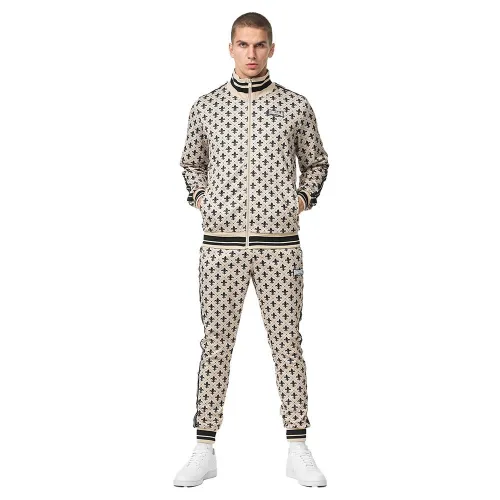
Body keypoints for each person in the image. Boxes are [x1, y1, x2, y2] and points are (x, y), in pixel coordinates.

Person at [174, 12, 329, 488]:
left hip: (279, 247)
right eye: (243, 45)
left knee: (287, 343)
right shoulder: (206, 106)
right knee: (216, 344)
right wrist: (204, 200)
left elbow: (317, 162)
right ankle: (204, 449)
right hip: (220, 248)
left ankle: (298, 448)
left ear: (272, 48)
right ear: (230, 48)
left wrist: (299, 200)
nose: (252, 54)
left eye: (260, 45)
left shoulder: (295, 106)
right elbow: (191, 163)